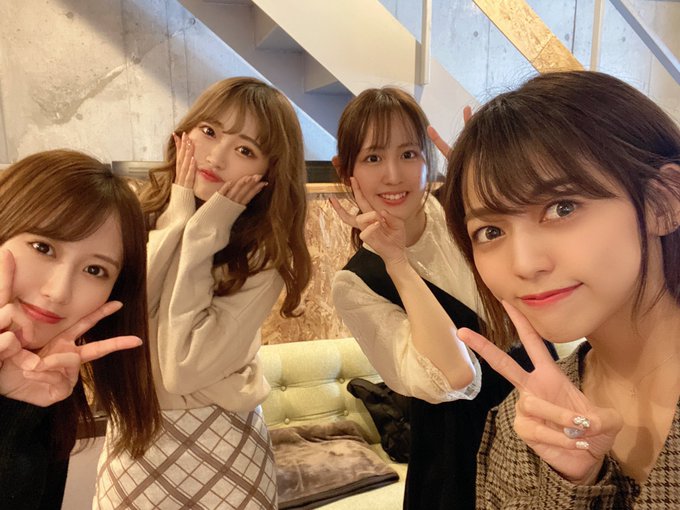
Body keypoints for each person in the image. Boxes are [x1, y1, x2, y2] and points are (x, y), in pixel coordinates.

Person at [440, 70, 680, 508]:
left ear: (663, 202)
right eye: (491, 231)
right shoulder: (523, 424)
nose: (524, 264)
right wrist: (572, 483)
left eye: (562, 208)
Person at [95, 76, 312, 509]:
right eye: (209, 131)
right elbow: (124, 313)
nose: (216, 157)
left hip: (223, 444)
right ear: (185, 132)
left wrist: (203, 233)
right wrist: (179, 218)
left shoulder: (263, 255)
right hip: (134, 434)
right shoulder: (137, 215)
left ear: (268, 173)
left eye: (245, 150)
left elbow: (182, 369)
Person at [330, 87, 548, 509]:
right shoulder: (357, 283)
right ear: (345, 170)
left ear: (426, 160)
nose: (394, 175)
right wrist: (397, 262)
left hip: (544, 420)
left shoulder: (467, 213)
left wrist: (499, 177)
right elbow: (455, 377)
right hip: (459, 460)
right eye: (373, 158)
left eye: (408, 154)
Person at [0, 149, 161, 509]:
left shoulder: (47, 383)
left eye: (94, 270)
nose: (58, 292)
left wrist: (13, 409)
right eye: (43, 247)